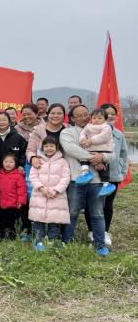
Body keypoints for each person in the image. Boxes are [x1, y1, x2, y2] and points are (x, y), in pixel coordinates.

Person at [60, 104, 114, 256]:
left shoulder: (103, 130)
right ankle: (66, 241)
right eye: (79, 115)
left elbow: (112, 153)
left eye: (85, 114)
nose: (83, 117)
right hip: (76, 179)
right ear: (72, 118)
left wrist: (102, 157)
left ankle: (100, 245)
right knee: (72, 212)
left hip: (96, 180)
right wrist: (94, 158)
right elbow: (72, 150)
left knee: (97, 213)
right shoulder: (67, 132)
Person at [28, 137, 71, 251]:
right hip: (39, 195)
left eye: (52, 146)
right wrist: (41, 188)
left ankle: (52, 241)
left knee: (55, 221)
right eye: (46, 146)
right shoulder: (38, 161)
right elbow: (33, 176)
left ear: (57, 147)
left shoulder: (62, 162)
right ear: (42, 148)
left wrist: (56, 190)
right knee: (38, 220)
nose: (49, 148)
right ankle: (39, 241)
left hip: (57, 196)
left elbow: (66, 177)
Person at [96, 103, 129, 246]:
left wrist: (121, 171)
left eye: (113, 114)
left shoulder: (119, 134)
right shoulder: (92, 132)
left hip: (113, 175)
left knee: (108, 204)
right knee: (94, 204)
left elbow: (124, 155)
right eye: (107, 113)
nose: (110, 116)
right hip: (95, 175)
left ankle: (104, 231)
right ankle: (92, 231)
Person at [77, 108, 116, 197]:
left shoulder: (106, 127)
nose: (96, 120)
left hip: (102, 149)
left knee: (101, 167)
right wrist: (82, 140)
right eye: (94, 118)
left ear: (105, 119)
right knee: (83, 157)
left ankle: (106, 184)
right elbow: (83, 133)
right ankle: (85, 172)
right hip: (90, 148)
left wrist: (90, 141)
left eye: (99, 118)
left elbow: (103, 137)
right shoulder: (88, 126)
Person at [26, 103, 67, 169]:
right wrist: (33, 158)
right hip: (42, 167)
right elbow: (30, 150)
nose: (55, 116)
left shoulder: (69, 130)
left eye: (59, 113)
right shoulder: (37, 130)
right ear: (48, 115)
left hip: (64, 168)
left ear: (64, 116)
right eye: (52, 113)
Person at [0, 153, 27, 240]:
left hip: (13, 205)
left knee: (12, 222)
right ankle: (2, 235)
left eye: (11, 162)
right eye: (6, 162)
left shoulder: (18, 175)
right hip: (1, 204)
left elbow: (22, 190)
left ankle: (12, 236)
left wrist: (20, 201)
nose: (8, 164)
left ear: (15, 164)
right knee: (1, 221)